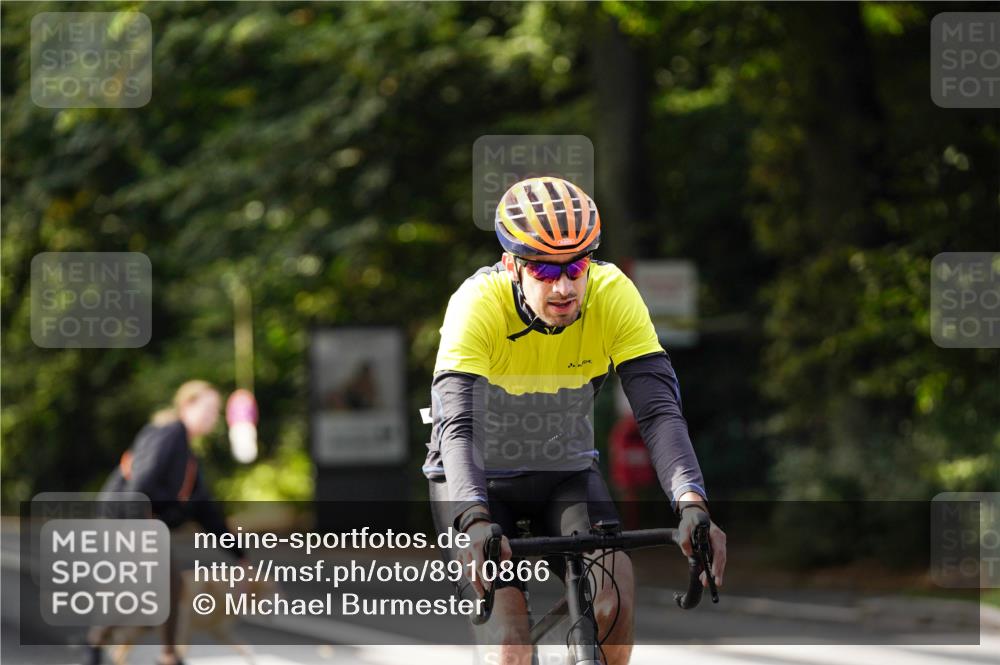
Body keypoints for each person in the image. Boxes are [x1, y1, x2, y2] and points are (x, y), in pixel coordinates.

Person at [423, 176, 727, 665]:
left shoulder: (613, 295)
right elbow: (458, 428)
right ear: (511, 266)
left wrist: (692, 502)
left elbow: (658, 410)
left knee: (615, 599)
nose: (564, 286)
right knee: (509, 644)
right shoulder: (475, 305)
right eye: (543, 269)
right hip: (478, 481)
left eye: (576, 266)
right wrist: (475, 521)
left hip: (563, 468)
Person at [87, 380, 246, 665]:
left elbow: (206, 513)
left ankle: (101, 639)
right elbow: (142, 480)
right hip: (126, 519)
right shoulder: (168, 434)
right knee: (165, 586)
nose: (214, 416)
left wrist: (239, 554)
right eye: (209, 408)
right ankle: (168, 655)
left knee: (155, 594)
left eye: (217, 411)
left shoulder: (189, 460)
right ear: (187, 405)